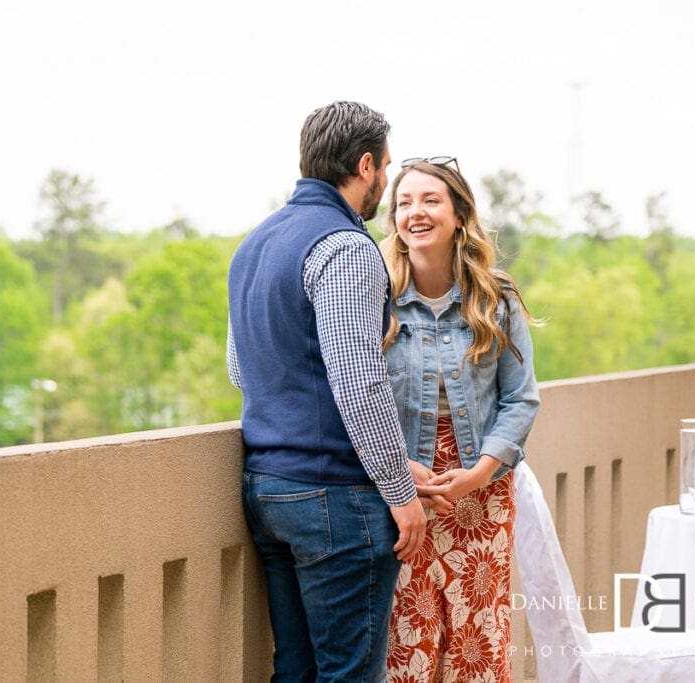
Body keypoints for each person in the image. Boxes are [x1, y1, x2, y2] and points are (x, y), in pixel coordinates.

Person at [226, 101, 427, 682]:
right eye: (385, 169)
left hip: (267, 491)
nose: (384, 184)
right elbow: (359, 387)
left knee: (295, 669)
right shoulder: (346, 248)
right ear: (365, 165)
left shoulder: (253, 244)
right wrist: (400, 493)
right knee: (350, 675)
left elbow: (243, 370)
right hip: (334, 499)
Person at [379, 157, 541, 682]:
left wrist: (477, 475)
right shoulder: (375, 298)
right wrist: (397, 466)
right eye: (404, 202)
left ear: (458, 214)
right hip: (406, 491)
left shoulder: (496, 297)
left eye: (430, 200)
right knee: (408, 643)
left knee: (478, 644)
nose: (415, 212)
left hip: (483, 489)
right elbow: (359, 396)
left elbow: (521, 399)